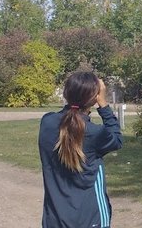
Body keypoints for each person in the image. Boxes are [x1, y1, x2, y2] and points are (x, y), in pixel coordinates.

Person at [39, 72, 123, 228]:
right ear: (94, 98)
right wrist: (103, 104)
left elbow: (66, 121)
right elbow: (116, 139)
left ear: (66, 93)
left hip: (54, 219)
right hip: (90, 218)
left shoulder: (47, 122)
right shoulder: (94, 133)